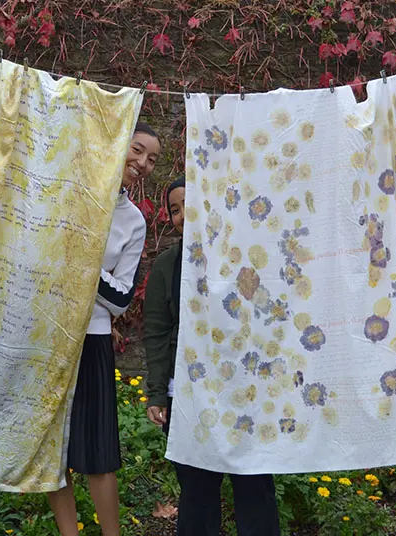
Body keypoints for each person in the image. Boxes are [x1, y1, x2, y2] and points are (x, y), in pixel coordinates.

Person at [143, 178, 281, 536]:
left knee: (254, 486)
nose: (181, 214)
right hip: (188, 397)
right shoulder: (166, 267)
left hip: (244, 395)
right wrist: (157, 393)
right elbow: (157, 333)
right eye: (174, 209)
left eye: (189, 203)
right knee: (197, 491)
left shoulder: (244, 259)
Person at [47, 122, 160, 536]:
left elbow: (120, 299)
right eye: (138, 150)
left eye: (152, 159)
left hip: (93, 338)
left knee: (99, 450)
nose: (143, 163)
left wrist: (80, 258)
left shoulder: (133, 221)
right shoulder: (69, 192)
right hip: (50, 334)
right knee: (53, 450)